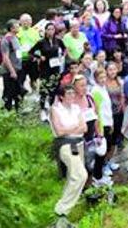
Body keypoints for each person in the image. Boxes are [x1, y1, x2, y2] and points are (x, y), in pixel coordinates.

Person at [50, 85, 87, 222]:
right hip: (66, 145)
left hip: (79, 143)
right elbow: (59, 131)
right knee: (80, 176)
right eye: (68, 94)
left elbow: (84, 127)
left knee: (73, 176)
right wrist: (75, 128)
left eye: (73, 93)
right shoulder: (55, 110)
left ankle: (64, 205)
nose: (72, 96)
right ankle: (62, 209)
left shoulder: (77, 108)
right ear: (61, 96)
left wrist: (70, 129)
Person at [0, 20, 24, 111]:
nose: (19, 27)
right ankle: (6, 111)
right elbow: (5, 58)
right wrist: (12, 71)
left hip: (18, 68)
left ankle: (18, 110)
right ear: (12, 28)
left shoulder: (15, 37)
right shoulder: (6, 40)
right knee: (8, 92)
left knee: (18, 91)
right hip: (9, 71)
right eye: (17, 26)